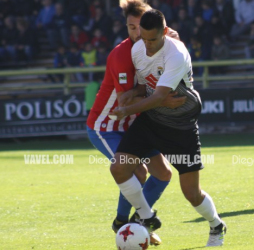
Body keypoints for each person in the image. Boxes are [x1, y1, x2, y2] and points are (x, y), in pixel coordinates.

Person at [109, 9, 227, 247]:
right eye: (143, 38)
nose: (148, 45)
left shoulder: (176, 53)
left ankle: (217, 225)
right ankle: (146, 216)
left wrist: (127, 110)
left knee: (192, 194)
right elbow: (146, 89)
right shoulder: (137, 50)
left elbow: (160, 95)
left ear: (165, 33)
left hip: (180, 128)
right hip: (151, 121)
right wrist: (131, 94)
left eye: (153, 40)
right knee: (119, 168)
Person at [86, 0, 184, 245]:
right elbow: (124, 102)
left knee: (163, 173)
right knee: (136, 171)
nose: (137, 33)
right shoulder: (121, 55)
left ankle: (133, 223)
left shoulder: (159, 47)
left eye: (141, 27)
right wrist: (163, 100)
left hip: (133, 124)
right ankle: (129, 222)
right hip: (106, 126)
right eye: (131, 27)